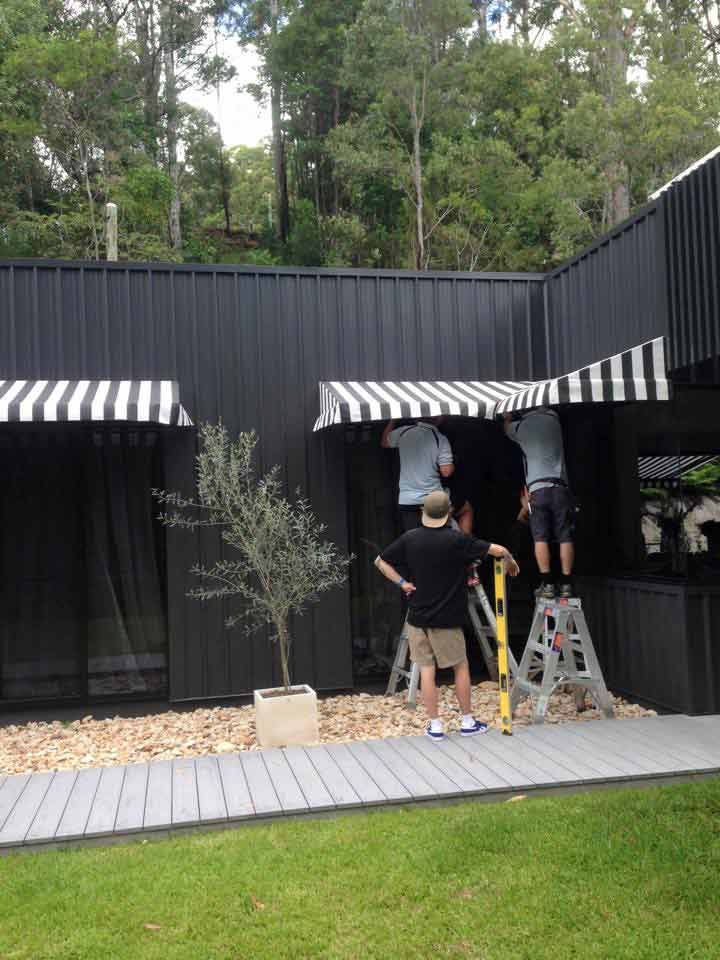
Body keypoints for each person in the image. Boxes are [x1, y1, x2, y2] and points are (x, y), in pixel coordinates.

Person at [374, 490, 520, 741]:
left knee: (426, 671)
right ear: (448, 513)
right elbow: (497, 549)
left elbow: (379, 561)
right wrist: (510, 561)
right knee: (460, 667)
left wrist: (403, 583)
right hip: (448, 619)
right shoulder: (457, 540)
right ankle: (466, 721)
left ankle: (435, 726)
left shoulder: (410, 539)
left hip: (418, 617)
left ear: (424, 513)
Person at [504, 408, 574, 600]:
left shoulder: (521, 427)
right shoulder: (554, 419)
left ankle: (548, 583)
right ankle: (567, 583)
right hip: (560, 487)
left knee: (540, 538)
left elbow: (506, 427)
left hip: (536, 490)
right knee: (564, 536)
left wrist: (508, 416)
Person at [381, 417, 454, 531]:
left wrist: (392, 420)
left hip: (407, 500)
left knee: (414, 541)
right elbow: (446, 472)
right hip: (433, 499)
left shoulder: (403, 432)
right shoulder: (440, 438)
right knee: (438, 539)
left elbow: (385, 442)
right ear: (439, 419)